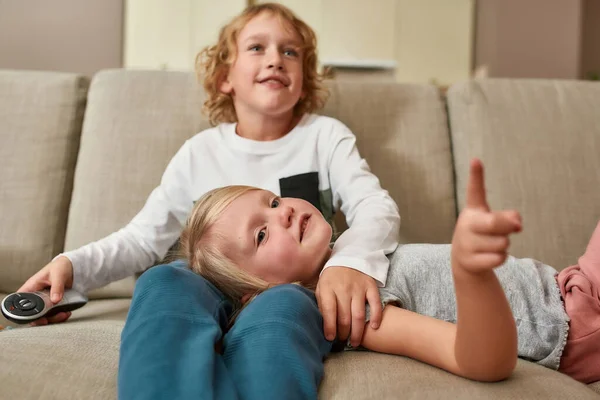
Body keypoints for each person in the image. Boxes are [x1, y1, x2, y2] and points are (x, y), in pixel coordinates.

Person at [17, 3, 400, 399]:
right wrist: (72, 266)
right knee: (165, 278)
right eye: (257, 48)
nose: (275, 59)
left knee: (281, 307)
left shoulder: (325, 136)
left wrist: (348, 264)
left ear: (304, 80)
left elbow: (376, 208)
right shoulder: (199, 153)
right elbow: (142, 239)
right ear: (224, 78)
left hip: (290, 286)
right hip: (210, 283)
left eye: (291, 51)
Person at [181, 158, 600, 384]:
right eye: (260, 235)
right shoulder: (352, 311)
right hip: (573, 322)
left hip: (569, 284)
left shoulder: (350, 251)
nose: (285, 212)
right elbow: (481, 362)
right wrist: (472, 275)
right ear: (257, 293)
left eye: (272, 202)